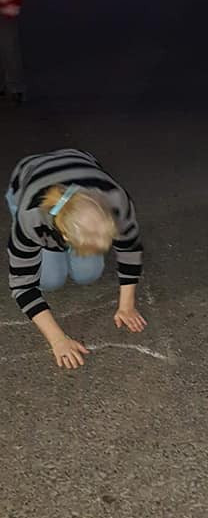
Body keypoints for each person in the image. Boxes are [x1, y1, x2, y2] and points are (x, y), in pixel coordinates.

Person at [6, 148, 146, 369]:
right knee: (51, 280)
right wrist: (57, 340)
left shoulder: (115, 200)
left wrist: (126, 306)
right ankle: (52, 251)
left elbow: (129, 248)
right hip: (28, 177)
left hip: (79, 162)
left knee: (87, 274)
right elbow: (22, 285)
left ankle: (72, 251)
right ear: (65, 236)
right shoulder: (30, 219)